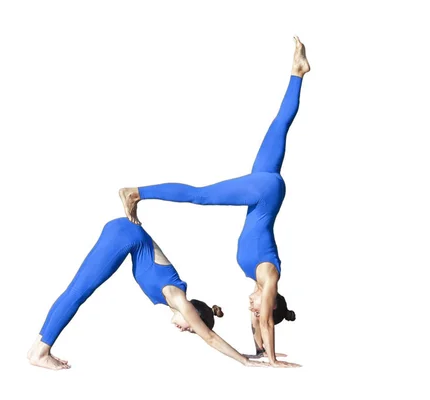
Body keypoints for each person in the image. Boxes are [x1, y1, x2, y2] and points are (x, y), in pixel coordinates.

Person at [118, 36, 310, 368]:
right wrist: (275, 360)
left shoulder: (259, 278)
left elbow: (258, 324)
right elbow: (265, 320)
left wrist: (260, 352)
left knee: (280, 125)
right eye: (260, 306)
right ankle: (137, 192)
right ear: (272, 301)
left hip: (263, 191)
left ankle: (298, 72)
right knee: (202, 195)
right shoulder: (270, 276)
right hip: (263, 192)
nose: (253, 309)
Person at [27, 217, 268, 370]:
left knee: (77, 291)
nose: (186, 329)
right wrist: (245, 361)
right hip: (124, 236)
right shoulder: (178, 297)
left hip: (125, 233)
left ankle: (38, 347)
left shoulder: (172, 297)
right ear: (194, 313)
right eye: (192, 326)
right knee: (78, 292)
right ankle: (40, 351)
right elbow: (211, 338)